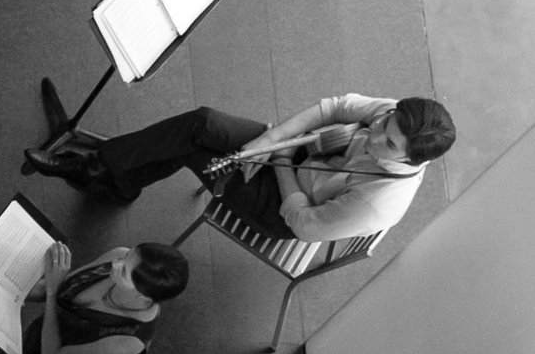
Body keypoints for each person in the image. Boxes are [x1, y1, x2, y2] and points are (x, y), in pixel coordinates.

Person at [26, 94, 455, 242]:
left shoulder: (380, 205)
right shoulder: (398, 116)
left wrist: (281, 158)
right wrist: (268, 142)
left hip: (284, 206)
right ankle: (104, 169)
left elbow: (303, 224)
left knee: (194, 151)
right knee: (203, 122)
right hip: (298, 154)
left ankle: (103, 176)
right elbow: (336, 107)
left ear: (416, 159)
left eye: (389, 142)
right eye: (383, 122)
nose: (377, 131)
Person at [4, 240, 192, 354]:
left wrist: (52, 292)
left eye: (124, 271)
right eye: (127, 255)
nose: (117, 263)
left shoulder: (131, 341)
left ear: (142, 295)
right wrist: (2, 283)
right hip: (38, 336)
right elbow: (57, 288)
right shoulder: (117, 255)